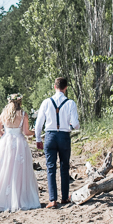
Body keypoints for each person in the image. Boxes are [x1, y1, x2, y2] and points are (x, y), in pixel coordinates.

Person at [0, 93, 41, 213]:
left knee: (3, 170)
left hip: (6, 142)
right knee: (19, 172)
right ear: (20, 102)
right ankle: (18, 200)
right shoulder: (23, 114)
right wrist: (35, 132)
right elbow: (26, 132)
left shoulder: (4, 114)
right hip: (20, 143)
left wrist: (6, 135)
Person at [34, 77, 80, 208]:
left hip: (50, 136)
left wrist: (38, 139)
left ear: (54, 87)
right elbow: (76, 124)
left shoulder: (46, 102)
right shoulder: (70, 103)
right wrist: (71, 127)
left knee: (51, 168)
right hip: (64, 136)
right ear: (66, 88)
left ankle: (52, 199)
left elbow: (39, 124)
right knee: (65, 167)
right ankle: (64, 197)